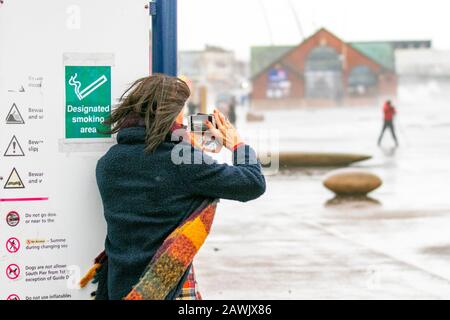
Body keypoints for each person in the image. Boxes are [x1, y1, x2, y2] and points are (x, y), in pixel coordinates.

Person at [94, 74, 266, 300]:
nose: (184, 121)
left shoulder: (108, 163)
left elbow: (162, 189)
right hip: (166, 289)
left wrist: (187, 147)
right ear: (170, 117)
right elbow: (253, 183)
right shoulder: (183, 163)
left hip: (119, 288)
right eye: (181, 114)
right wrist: (236, 144)